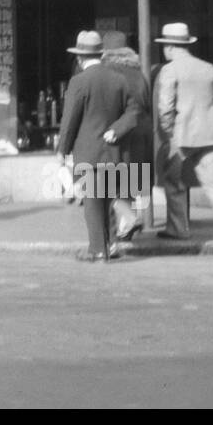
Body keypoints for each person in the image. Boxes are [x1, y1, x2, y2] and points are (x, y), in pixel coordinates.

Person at [152, 22, 213, 258]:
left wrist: (170, 133)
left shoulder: (169, 70)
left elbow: (165, 109)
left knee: (173, 180)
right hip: (211, 137)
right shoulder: (209, 69)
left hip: (181, 138)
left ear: (170, 47)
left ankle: (178, 228)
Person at [56, 30, 141, 262]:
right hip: (114, 151)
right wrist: (117, 129)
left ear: (79, 57)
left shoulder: (79, 82)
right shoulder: (118, 79)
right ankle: (111, 245)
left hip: (89, 152)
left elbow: (69, 120)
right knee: (109, 200)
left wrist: (62, 150)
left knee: (93, 202)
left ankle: (97, 249)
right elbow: (133, 111)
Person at [101, 30, 152, 242]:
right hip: (141, 135)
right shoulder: (139, 74)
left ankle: (129, 220)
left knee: (105, 186)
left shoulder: (107, 72)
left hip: (118, 134)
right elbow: (147, 104)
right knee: (129, 184)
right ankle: (125, 228)